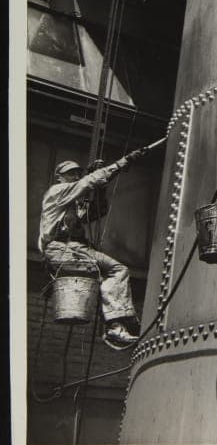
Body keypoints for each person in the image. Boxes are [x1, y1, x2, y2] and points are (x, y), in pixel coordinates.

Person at [39, 149, 148, 348]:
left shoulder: (69, 207)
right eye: (70, 173)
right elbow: (87, 182)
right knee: (117, 270)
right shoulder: (56, 192)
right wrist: (123, 162)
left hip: (71, 250)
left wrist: (99, 189)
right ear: (59, 177)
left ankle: (115, 325)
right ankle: (116, 325)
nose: (75, 176)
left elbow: (97, 211)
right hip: (62, 249)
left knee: (111, 274)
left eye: (77, 173)